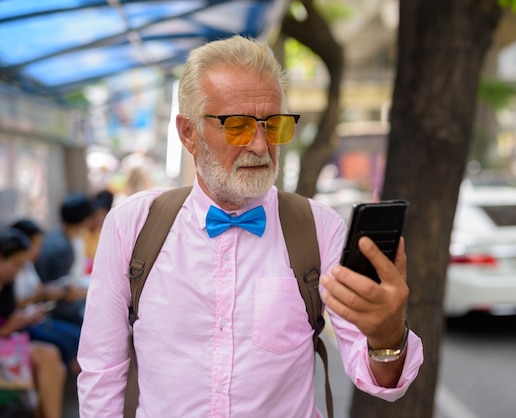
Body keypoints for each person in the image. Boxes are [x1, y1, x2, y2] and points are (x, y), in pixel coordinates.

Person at [77, 35, 423, 417]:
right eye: (238, 126)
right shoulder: (133, 226)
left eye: (273, 125)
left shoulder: (318, 230)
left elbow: (379, 380)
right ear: (188, 133)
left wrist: (387, 335)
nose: (260, 145)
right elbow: (101, 372)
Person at [0, 228, 66, 418]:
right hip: (6, 341)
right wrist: (8, 327)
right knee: (49, 355)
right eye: (16, 264)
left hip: (10, 341)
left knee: (57, 368)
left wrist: (22, 318)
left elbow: (10, 315)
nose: (18, 271)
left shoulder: (7, 282)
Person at [10, 219, 81, 376]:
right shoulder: (13, 267)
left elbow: (38, 290)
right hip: (23, 323)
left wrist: (58, 288)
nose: (39, 250)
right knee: (65, 344)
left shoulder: (27, 265)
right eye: (37, 245)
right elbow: (13, 305)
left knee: (77, 335)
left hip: (37, 317)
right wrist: (39, 297)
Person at [35, 193, 93, 325]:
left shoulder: (55, 235)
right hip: (55, 309)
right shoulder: (63, 248)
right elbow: (63, 293)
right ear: (85, 220)